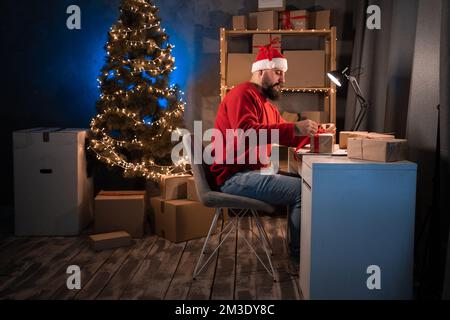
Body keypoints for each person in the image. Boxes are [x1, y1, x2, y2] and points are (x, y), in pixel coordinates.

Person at [210, 43, 318, 263]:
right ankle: (300, 258)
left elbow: (287, 133)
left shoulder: (266, 105)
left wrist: (320, 131)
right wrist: (295, 128)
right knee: (302, 190)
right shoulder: (243, 94)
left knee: (304, 180)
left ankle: (298, 246)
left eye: (283, 73)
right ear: (261, 71)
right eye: (278, 72)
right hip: (233, 176)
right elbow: (247, 133)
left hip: (251, 171)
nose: (283, 79)